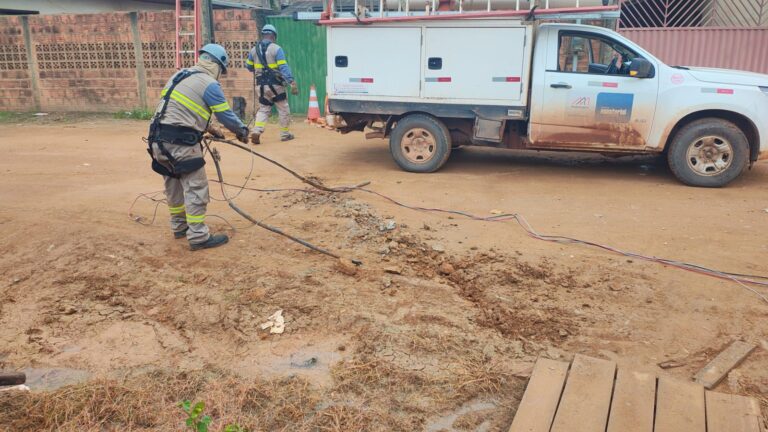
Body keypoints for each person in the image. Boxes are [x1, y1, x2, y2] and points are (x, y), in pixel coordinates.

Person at [146, 43, 249, 251]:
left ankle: (179, 227)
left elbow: (179, 110)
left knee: (173, 185)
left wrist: (210, 129)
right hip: (181, 144)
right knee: (196, 187)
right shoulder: (209, 83)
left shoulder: (179, 76)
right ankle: (199, 237)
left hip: (157, 141)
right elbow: (226, 115)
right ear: (217, 65)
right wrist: (241, 131)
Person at [245, 24, 299, 144]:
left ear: (263, 35)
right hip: (276, 85)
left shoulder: (254, 50)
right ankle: (285, 134)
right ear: (273, 36)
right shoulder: (276, 48)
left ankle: (257, 130)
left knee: (264, 109)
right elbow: (283, 66)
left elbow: (248, 67)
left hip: (261, 86)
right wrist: (291, 81)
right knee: (283, 108)